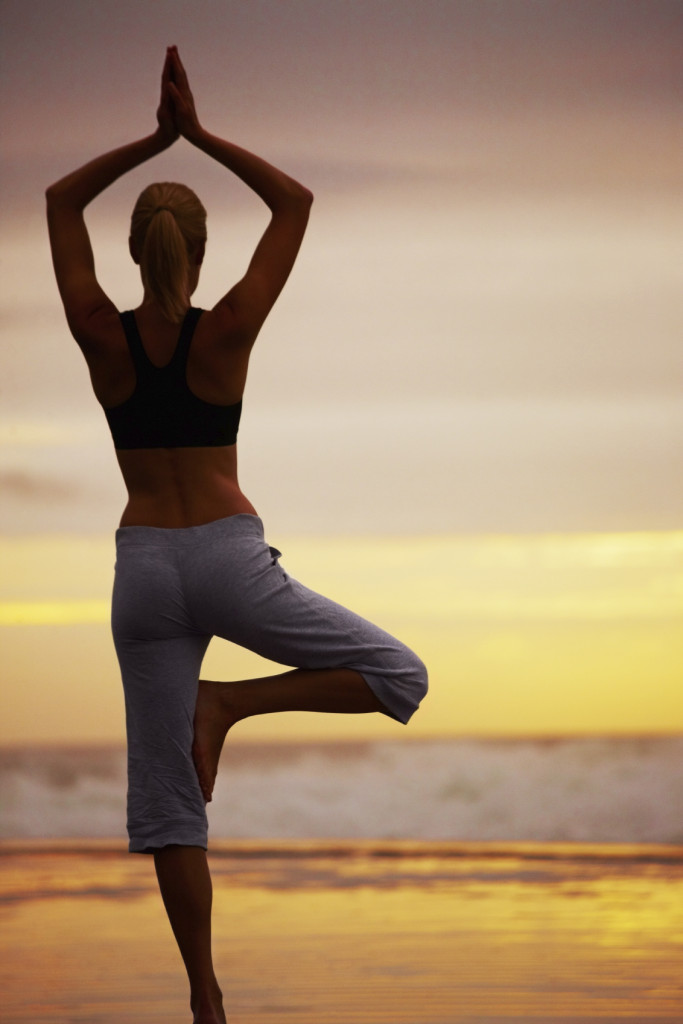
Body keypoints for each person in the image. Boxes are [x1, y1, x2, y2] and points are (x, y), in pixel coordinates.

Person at [46, 46, 427, 1024]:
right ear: (200, 250)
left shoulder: (99, 330)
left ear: (136, 250)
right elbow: (295, 204)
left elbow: (55, 201)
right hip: (222, 550)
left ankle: (205, 1002)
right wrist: (198, 135)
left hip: (141, 570)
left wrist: (148, 140)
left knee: (170, 807)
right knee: (398, 676)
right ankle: (232, 704)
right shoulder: (227, 333)